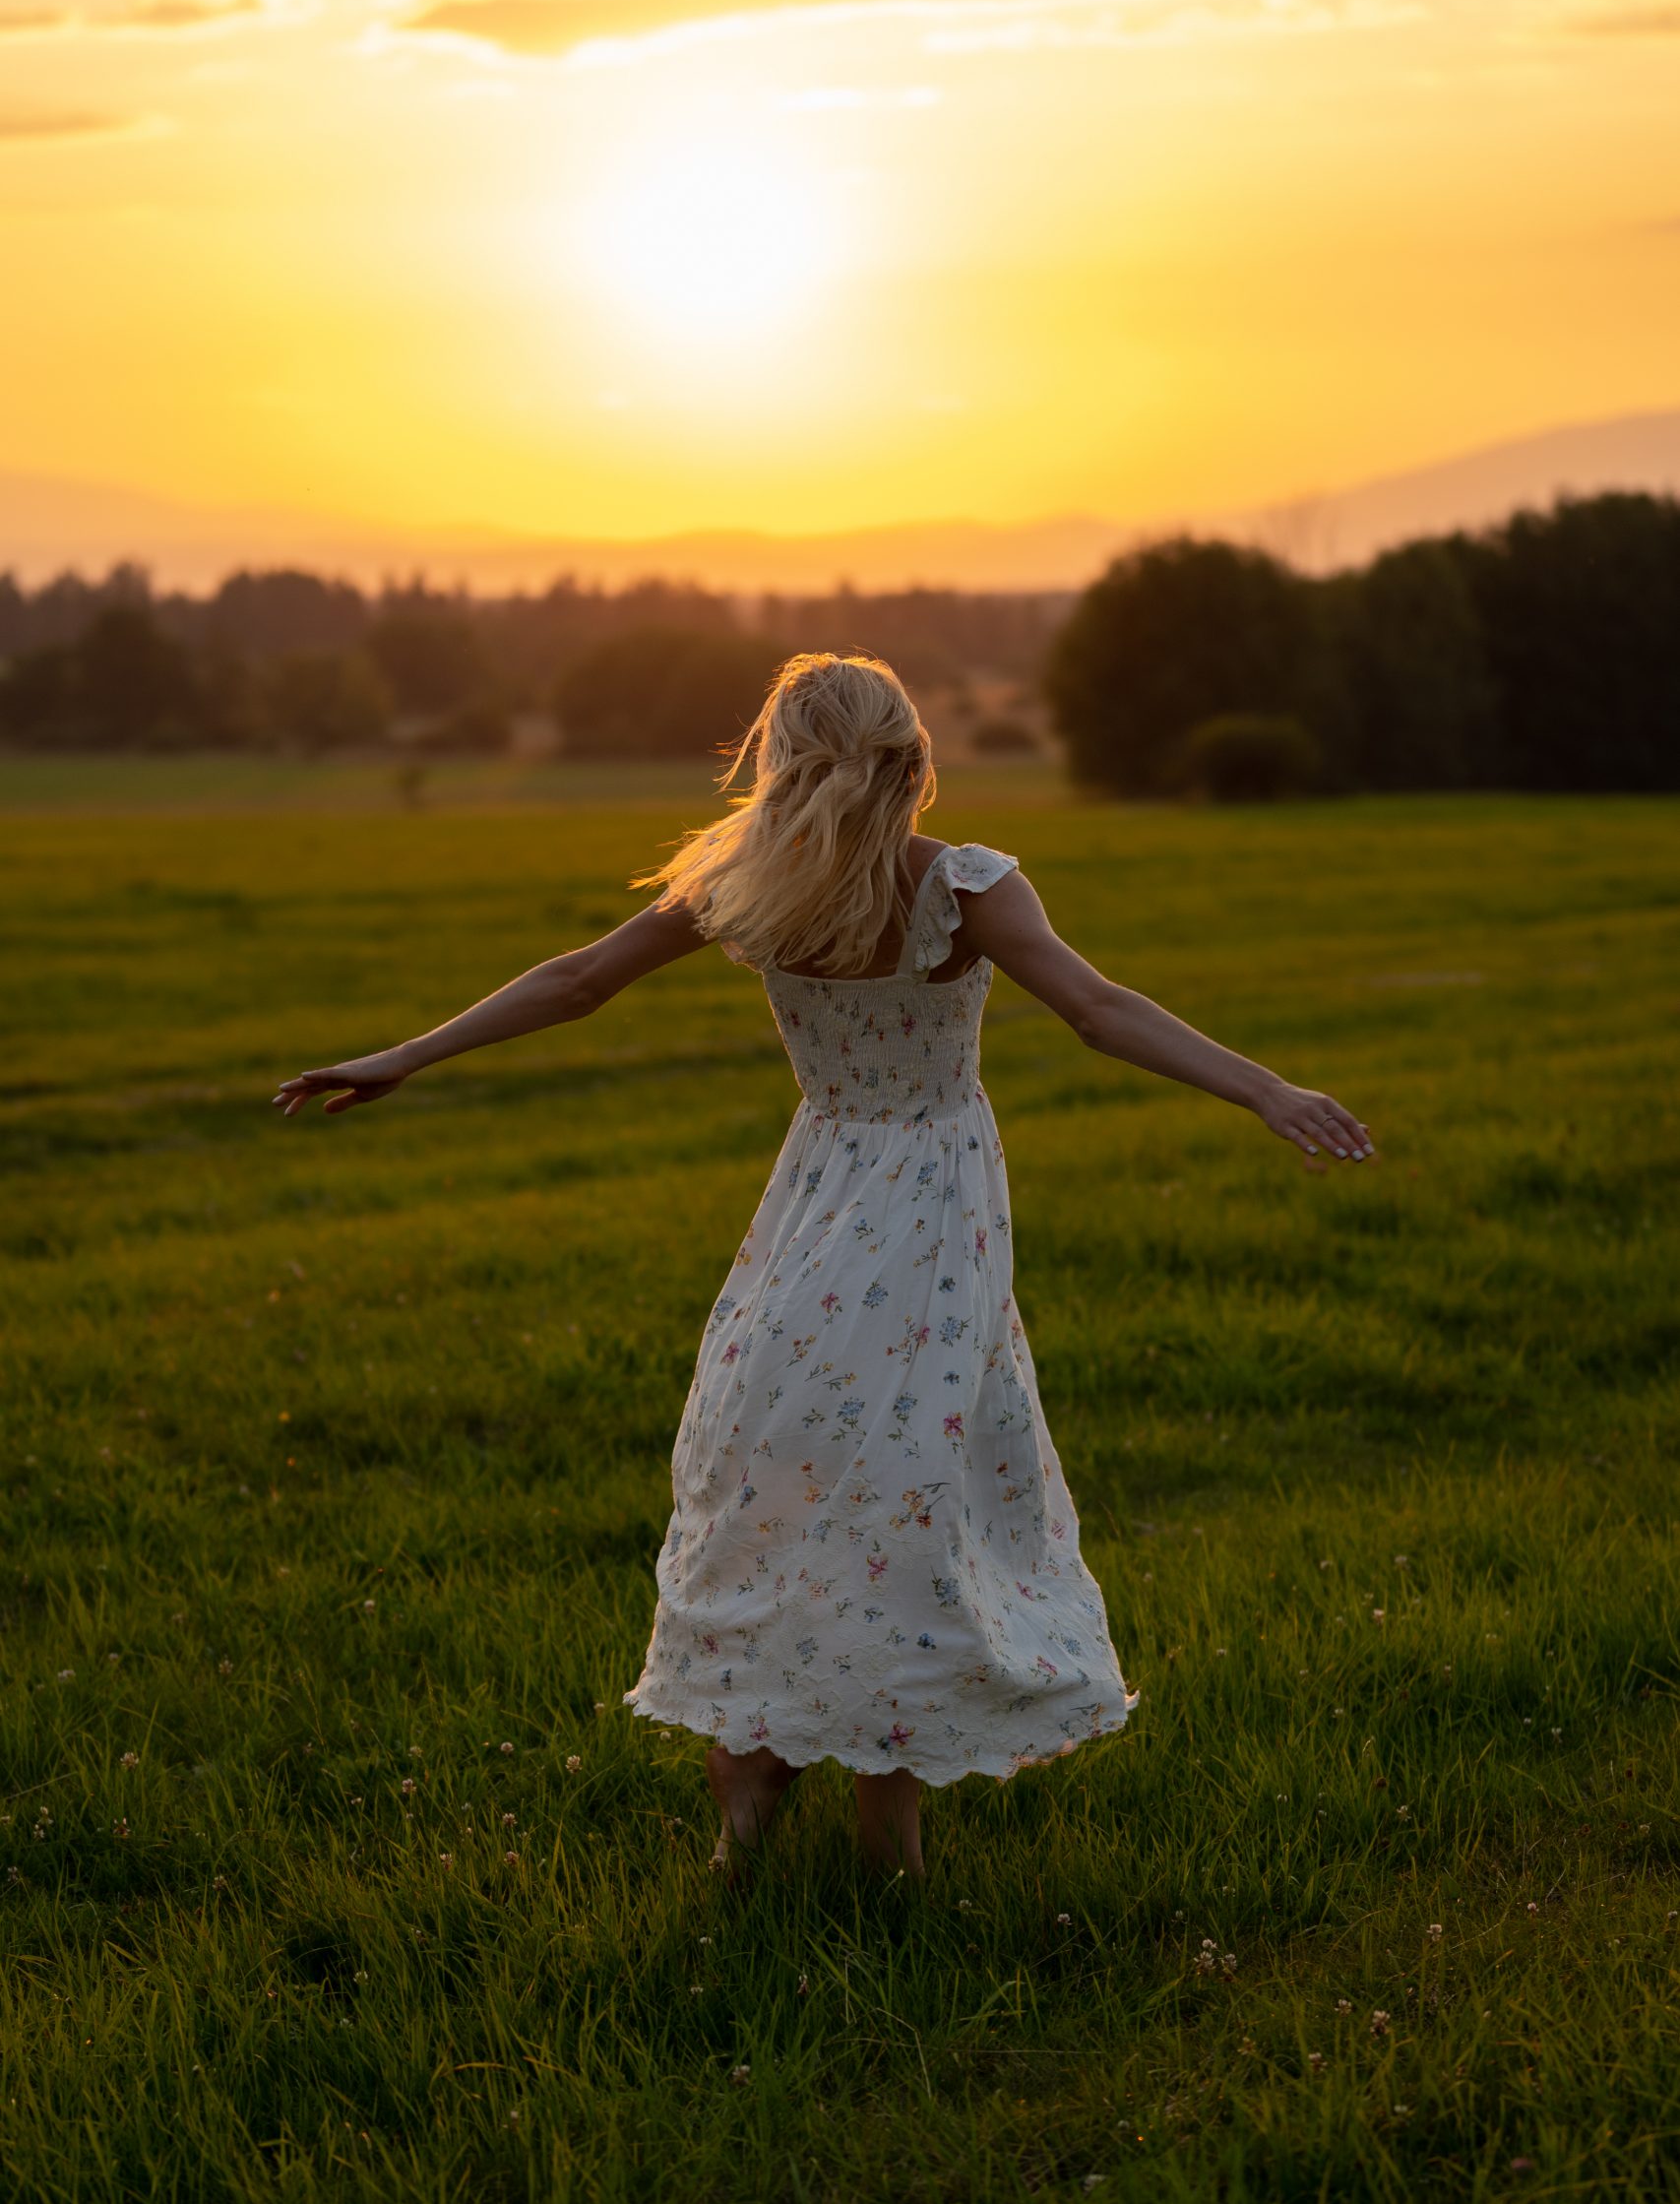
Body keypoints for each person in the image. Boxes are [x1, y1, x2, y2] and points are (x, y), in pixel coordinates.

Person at [275, 653, 1373, 1880]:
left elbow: (578, 979)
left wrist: (404, 1056)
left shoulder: (748, 885)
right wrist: (1266, 1088)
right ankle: (881, 1835)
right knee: (905, 1488)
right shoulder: (965, 883)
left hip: (811, 1209)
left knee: (776, 1470)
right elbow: (1100, 1008)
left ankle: (750, 1811)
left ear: (782, 767)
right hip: (933, 1216)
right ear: (912, 763)